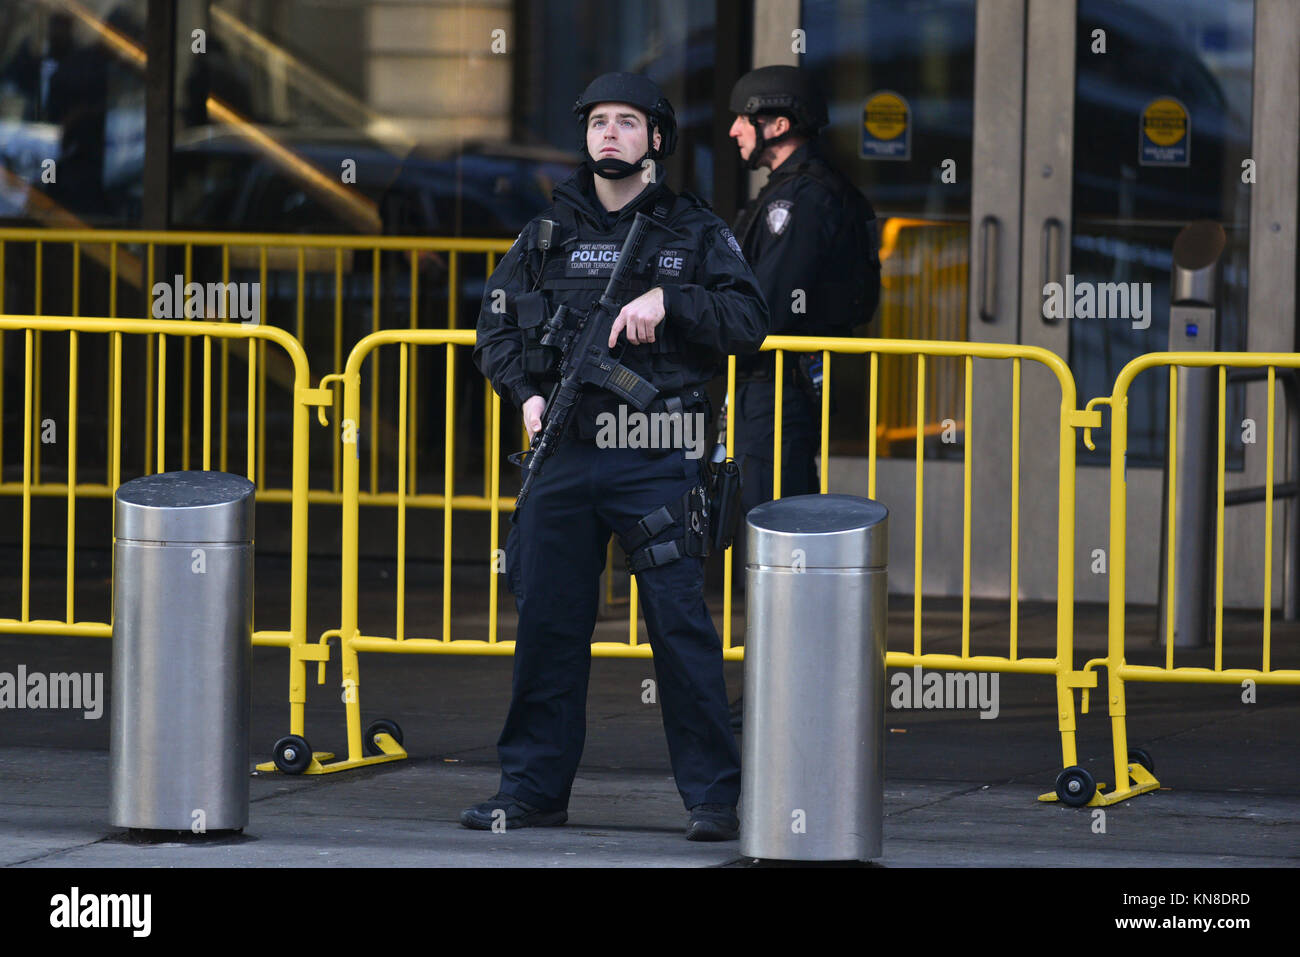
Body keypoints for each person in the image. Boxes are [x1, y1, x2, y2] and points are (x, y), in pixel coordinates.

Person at [467, 73, 769, 841]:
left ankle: (714, 798)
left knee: (677, 626)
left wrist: (673, 302)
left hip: (655, 453)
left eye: (627, 123)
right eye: (598, 121)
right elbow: (494, 329)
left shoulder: (693, 230)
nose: (609, 134)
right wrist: (527, 397)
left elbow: (748, 319)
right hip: (563, 453)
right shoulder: (546, 234)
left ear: (656, 140)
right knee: (548, 625)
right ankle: (531, 789)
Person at [726, 65, 881, 728]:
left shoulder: (802, 199)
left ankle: (777, 692)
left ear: (778, 124)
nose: (733, 131)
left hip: (777, 390)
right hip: (776, 390)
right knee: (771, 530)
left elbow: (760, 308)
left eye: (743, 118)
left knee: (773, 535)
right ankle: (778, 685)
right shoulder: (795, 191)